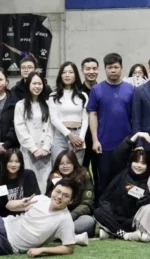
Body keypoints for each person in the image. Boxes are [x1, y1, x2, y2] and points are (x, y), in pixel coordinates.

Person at [87, 53, 135, 196]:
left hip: (126, 144)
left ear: (121, 68)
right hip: (104, 144)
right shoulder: (96, 90)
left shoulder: (131, 89)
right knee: (105, 181)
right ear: (105, 69)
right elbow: (93, 115)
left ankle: (123, 207)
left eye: (116, 67)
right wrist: (95, 140)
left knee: (125, 181)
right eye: (110, 67)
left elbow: (135, 116)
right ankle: (104, 207)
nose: (113, 70)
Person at [93, 132, 150, 240]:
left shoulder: (149, 181)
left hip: (132, 220)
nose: (139, 166)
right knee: (98, 212)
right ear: (131, 162)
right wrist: (136, 136)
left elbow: (145, 207)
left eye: (143, 163)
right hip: (115, 216)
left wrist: (142, 201)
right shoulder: (122, 172)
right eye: (136, 162)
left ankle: (112, 232)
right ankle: (123, 235)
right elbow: (119, 154)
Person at [14, 72, 54, 191]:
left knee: (45, 184)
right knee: (29, 183)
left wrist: (45, 148)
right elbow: (20, 129)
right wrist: (34, 149)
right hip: (28, 151)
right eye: (34, 83)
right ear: (28, 85)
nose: (37, 86)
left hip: (46, 152)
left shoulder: (49, 104)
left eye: (39, 84)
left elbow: (51, 127)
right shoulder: (20, 105)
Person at [45, 150, 95, 237]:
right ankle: (63, 234)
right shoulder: (53, 177)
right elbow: (48, 199)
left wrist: (71, 216)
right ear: (57, 165)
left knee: (88, 221)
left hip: (76, 215)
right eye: (61, 163)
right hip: (57, 214)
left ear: (74, 163)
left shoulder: (84, 176)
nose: (65, 166)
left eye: (68, 163)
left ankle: (57, 234)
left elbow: (87, 203)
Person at [49, 62, 90, 164]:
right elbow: (54, 119)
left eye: (71, 72)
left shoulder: (83, 96)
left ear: (75, 75)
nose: (67, 75)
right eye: (64, 72)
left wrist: (81, 138)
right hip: (60, 136)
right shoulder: (53, 96)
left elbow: (85, 119)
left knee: (76, 168)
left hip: (78, 136)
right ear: (60, 75)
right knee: (58, 167)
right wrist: (69, 135)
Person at [0, 149, 39, 218]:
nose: (13, 165)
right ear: (5, 163)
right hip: (10, 219)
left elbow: (36, 198)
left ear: (21, 163)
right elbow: (2, 211)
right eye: (10, 161)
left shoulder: (29, 175)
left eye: (17, 161)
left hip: (29, 215)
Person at [80, 57, 99, 190]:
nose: (91, 72)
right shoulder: (77, 91)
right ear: (82, 70)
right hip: (81, 139)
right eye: (88, 69)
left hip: (99, 138)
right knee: (82, 171)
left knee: (99, 172)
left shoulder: (102, 89)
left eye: (94, 68)